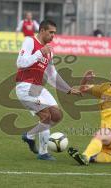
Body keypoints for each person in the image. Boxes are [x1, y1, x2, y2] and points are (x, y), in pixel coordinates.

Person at [16, 20, 81, 160]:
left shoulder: (49, 51)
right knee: (46, 116)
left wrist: (68, 89)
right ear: (42, 31)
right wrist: (39, 52)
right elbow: (21, 62)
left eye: (54, 33)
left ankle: (29, 136)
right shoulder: (30, 41)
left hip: (38, 87)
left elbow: (52, 76)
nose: (53, 36)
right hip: (25, 86)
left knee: (56, 115)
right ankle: (43, 153)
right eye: (51, 32)